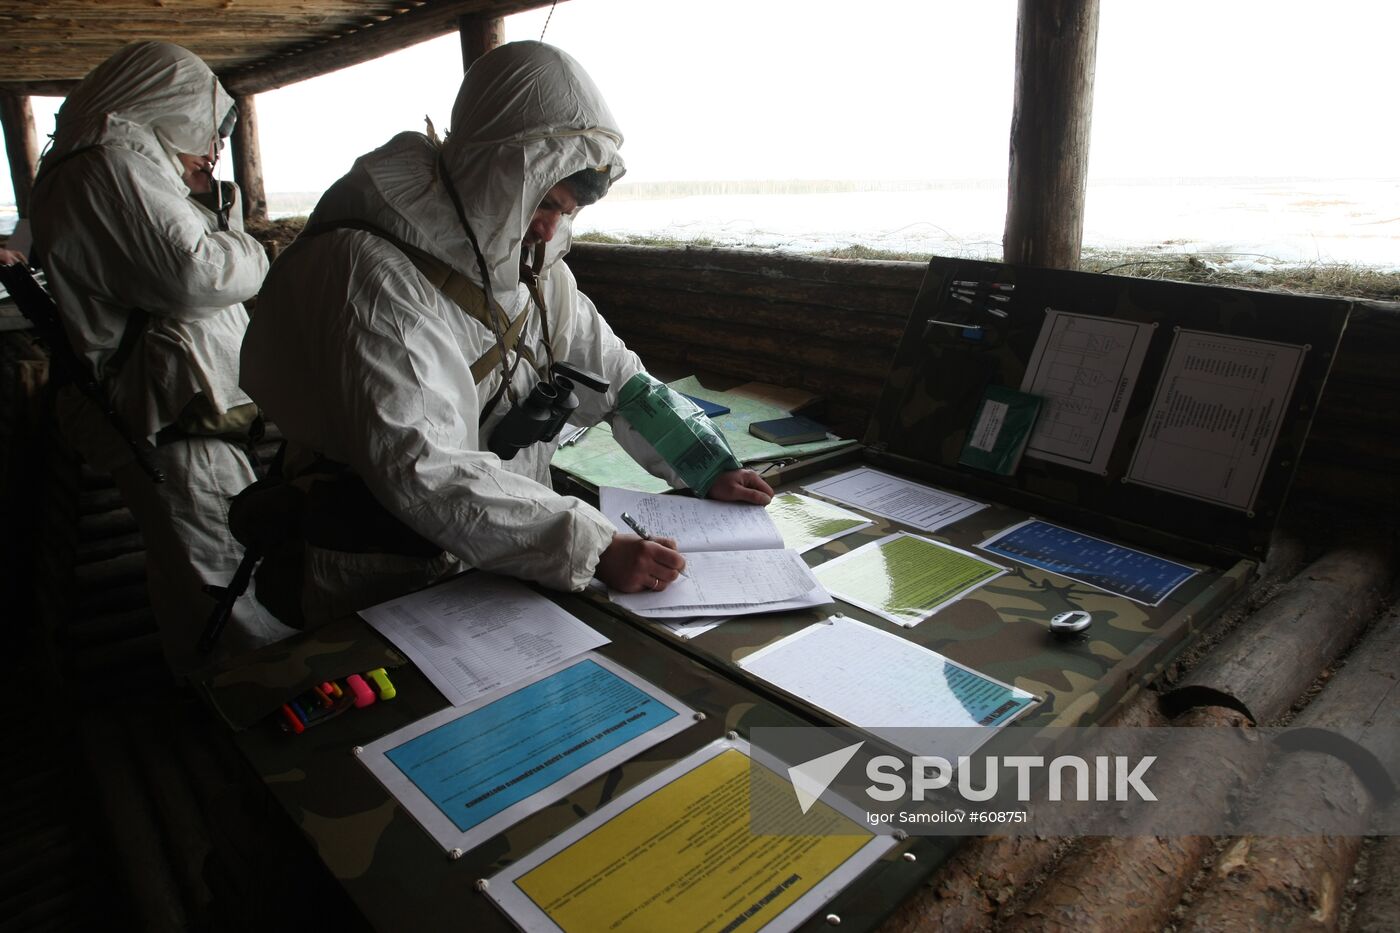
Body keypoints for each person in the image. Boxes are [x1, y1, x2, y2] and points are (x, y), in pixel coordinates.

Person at [240, 40, 773, 626]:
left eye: (565, 210)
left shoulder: (533, 269)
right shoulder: (366, 271)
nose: (548, 228)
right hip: (383, 568)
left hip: (509, 559)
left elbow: (619, 382)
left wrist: (706, 466)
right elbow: (424, 463)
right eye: (542, 201)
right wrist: (593, 547)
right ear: (497, 171)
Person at [29, 41, 294, 675]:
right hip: (173, 422)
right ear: (168, 106)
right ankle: (252, 726)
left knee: (195, 582)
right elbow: (195, 274)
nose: (210, 147)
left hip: (179, 415)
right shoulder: (106, 170)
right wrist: (251, 248)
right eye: (205, 124)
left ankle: (206, 703)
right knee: (227, 587)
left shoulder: (112, 170)